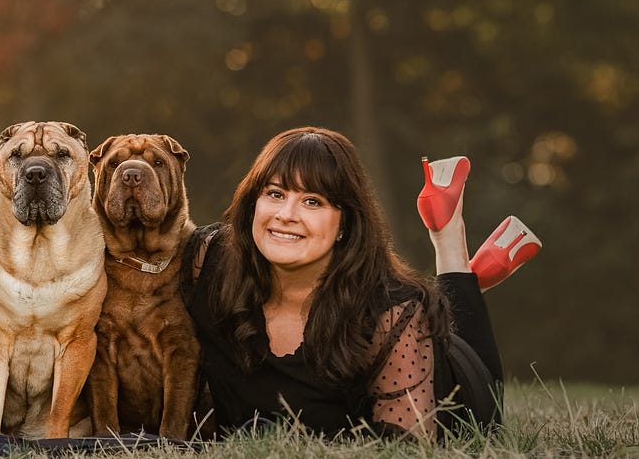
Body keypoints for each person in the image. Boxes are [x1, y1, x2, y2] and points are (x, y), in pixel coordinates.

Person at [182, 127, 539, 441]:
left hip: (452, 385)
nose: (286, 214)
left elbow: (407, 446)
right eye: (275, 194)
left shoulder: (394, 311)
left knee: (479, 389)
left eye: (312, 201)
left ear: (345, 225)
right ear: (252, 204)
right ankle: (470, 275)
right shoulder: (209, 259)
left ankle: (448, 240)